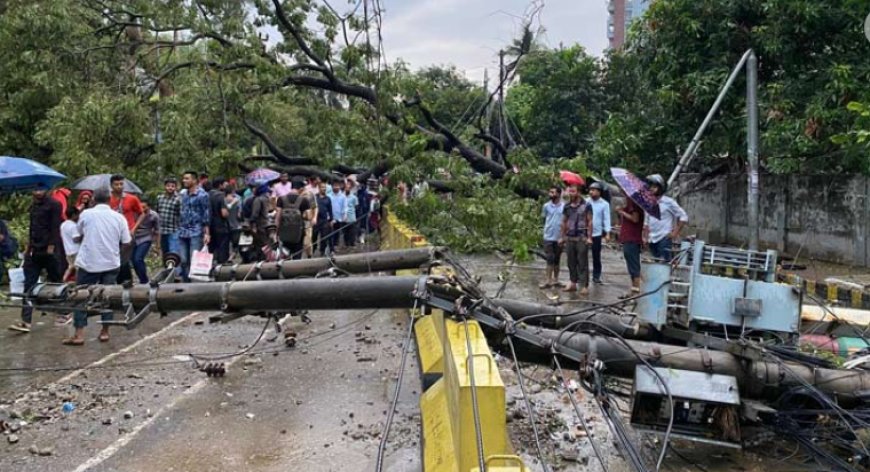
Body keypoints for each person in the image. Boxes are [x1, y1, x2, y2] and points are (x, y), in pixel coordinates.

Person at [63, 189, 131, 345]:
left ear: (93, 200)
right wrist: (117, 254)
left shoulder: (86, 215)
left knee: (80, 296)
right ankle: (105, 332)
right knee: (108, 298)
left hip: (89, 263)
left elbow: (78, 235)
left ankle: (79, 334)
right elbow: (126, 241)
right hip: (111, 263)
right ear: (109, 200)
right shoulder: (119, 217)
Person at [9, 185, 63, 333]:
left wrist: (51, 246)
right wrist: (28, 248)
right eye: (35, 190)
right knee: (29, 285)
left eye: (40, 190)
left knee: (56, 282)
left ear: (46, 190)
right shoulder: (33, 206)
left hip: (49, 250)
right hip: (34, 250)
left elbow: (55, 227)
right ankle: (26, 321)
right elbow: (33, 228)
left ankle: (64, 312)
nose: (37, 192)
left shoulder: (54, 205)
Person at [644, 174, 688, 262]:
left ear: (660, 188)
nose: (651, 188)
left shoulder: (668, 202)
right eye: (650, 186)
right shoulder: (648, 202)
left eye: (654, 186)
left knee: (664, 264)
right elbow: (647, 222)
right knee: (655, 263)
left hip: (664, 237)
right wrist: (645, 237)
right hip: (652, 239)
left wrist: (675, 233)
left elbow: (684, 216)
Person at [109, 174, 143, 283]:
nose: (119, 186)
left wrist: (134, 228)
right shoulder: (107, 199)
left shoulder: (132, 198)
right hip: (112, 233)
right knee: (115, 259)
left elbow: (141, 214)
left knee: (124, 259)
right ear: (111, 185)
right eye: (116, 184)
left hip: (128, 232)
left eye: (121, 184)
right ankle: (120, 281)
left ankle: (126, 281)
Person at [178, 171, 211, 282]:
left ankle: (194, 285)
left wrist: (207, 233)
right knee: (183, 260)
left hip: (196, 231)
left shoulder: (202, 195)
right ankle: (186, 283)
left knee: (194, 259)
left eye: (187, 179)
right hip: (183, 230)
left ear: (194, 180)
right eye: (184, 179)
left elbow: (206, 214)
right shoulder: (183, 194)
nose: (184, 181)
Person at [560, 185, 593, 296]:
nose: (571, 194)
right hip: (570, 237)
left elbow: (590, 222)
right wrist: (562, 236)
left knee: (582, 262)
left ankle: (584, 285)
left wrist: (589, 237)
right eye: (570, 191)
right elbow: (564, 221)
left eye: (573, 191)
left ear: (579, 192)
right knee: (571, 262)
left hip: (581, 237)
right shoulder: (567, 206)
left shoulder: (586, 205)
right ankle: (573, 282)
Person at [276, 179, 312, 260]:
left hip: (284, 232)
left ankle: (285, 270)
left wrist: (276, 231)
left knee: (285, 254)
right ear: (301, 188)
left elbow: (278, 217)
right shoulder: (304, 200)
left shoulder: (281, 199)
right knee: (297, 254)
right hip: (298, 233)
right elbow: (308, 217)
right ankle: (295, 270)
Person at [617, 198, 644, 297]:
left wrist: (622, 212)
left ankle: (636, 291)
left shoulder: (633, 202)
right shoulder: (630, 202)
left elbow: (635, 219)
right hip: (629, 238)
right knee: (631, 265)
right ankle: (634, 290)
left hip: (632, 238)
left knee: (634, 266)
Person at [539, 186, 564, 289]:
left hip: (559, 237)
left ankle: (556, 280)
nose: (551, 194)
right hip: (548, 236)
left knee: (557, 259)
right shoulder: (546, 206)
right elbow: (544, 219)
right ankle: (548, 280)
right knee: (550, 259)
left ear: (558, 194)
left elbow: (566, 221)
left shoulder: (564, 206)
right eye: (550, 192)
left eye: (553, 192)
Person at [587, 182, 612, 284]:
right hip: (585, 232)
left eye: (593, 190)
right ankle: (581, 276)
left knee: (596, 256)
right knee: (582, 255)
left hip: (597, 233)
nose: (591, 192)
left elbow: (606, 219)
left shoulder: (604, 204)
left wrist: (607, 233)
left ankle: (596, 276)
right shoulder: (586, 202)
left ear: (599, 192)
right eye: (590, 190)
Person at [132, 199, 160, 284]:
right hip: (134, 237)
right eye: (141, 207)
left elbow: (157, 230)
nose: (142, 209)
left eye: (144, 207)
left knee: (138, 258)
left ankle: (144, 280)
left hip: (146, 238)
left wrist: (158, 245)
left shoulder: (154, 215)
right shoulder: (135, 213)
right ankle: (141, 278)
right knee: (133, 260)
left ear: (149, 207)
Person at [208, 177, 231, 264]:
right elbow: (224, 213)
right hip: (221, 225)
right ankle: (222, 267)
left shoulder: (207, 194)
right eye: (224, 184)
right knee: (222, 246)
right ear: (220, 185)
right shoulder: (220, 195)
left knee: (212, 247)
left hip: (210, 226)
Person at [156, 177, 181, 258]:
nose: (170, 188)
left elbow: (180, 214)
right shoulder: (159, 198)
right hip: (162, 230)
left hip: (173, 229)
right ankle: (167, 269)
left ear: (175, 187)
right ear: (165, 186)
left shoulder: (178, 199)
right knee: (165, 252)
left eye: (172, 186)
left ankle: (175, 270)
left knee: (173, 252)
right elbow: (157, 212)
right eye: (168, 186)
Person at [249, 183, 273, 261]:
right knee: (267, 243)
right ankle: (268, 258)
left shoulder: (258, 200)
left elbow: (255, 214)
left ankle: (263, 259)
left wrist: (252, 224)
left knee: (261, 244)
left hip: (260, 224)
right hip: (268, 224)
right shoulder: (268, 199)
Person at [313, 181, 334, 255]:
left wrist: (331, 220)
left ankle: (322, 251)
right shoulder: (315, 197)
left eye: (325, 187)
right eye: (322, 187)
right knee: (314, 236)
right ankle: (313, 250)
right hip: (316, 220)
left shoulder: (328, 199)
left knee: (324, 237)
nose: (324, 189)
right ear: (319, 188)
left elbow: (330, 210)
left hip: (324, 220)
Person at [225, 184, 242, 259]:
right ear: (233, 191)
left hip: (226, 225)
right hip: (236, 225)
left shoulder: (223, 200)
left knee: (227, 243)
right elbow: (239, 215)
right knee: (236, 244)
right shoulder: (237, 199)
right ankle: (232, 256)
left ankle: (228, 256)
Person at [329, 180, 347, 250]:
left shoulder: (343, 196)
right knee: (329, 232)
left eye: (337, 186)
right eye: (334, 186)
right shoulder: (329, 196)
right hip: (330, 218)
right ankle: (329, 246)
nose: (336, 187)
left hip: (339, 217)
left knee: (337, 233)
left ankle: (335, 246)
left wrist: (344, 215)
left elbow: (344, 207)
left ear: (340, 186)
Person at [343, 181, 359, 248]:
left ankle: (352, 243)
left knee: (352, 231)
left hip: (352, 217)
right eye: (346, 188)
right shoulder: (342, 196)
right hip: (344, 217)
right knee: (345, 232)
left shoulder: (354, 197)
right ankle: (346, 244)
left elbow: (356, 206)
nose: (347, 189)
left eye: (349, 188)